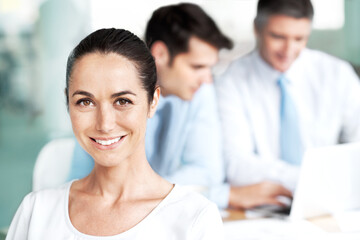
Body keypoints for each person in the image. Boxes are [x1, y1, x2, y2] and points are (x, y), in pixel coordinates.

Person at [68, 3, 291, 210]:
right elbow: (99, 185)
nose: (207, 79)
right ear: (161, 54)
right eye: (197, 66)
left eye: (209, 68)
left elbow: (206, 172)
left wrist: (158, 194)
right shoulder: (108, 97)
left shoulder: (197, 92)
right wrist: (224, 195)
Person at [6, 28, 224, 239]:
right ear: (67, 102)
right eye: (85, 102)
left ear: (153, 101)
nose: (105, 124)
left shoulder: (195, 219)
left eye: (122, 101)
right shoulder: (36, 212)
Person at [215, 0, 360, 201]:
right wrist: (309, 179)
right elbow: (236, 164)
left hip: (332, 199)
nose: (288, 50)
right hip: (263, 204)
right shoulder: (230, 82)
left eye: (299, 38)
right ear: (257, 28)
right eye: (277, 37)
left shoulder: (337, 74)